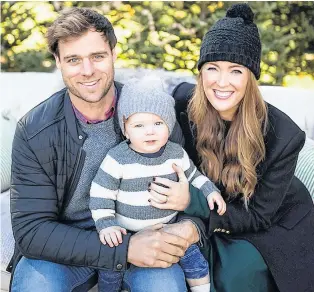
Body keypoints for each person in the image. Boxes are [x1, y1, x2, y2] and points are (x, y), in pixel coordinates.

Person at [8, 7, 203, 292]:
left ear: (113, 53)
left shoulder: (153, 115)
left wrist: (188, 217)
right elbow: (31, 231)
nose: (87, 71)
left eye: (97, 56)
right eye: (74, 59)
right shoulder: (35, 130)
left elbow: (193, 190)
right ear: (58, 61)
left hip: (144, 236)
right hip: (65, 249)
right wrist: (123, 249)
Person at [149, 3, 314, 292]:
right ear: (201, 73)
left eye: (236, 71)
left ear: (250, 77)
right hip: (210, 212)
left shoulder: (284, 135)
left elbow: (258, 215)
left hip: (269, 220)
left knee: (235, 273)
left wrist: (191, 202)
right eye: (212, 68)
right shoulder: (180, 107)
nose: (222, 82)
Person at [89, 77, 226, 292]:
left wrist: (210, 191)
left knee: (195, 261)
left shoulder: (176, 153)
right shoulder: (117, 158)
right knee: (109, 271)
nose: (149, 131)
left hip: (167, 229)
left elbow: (194, 176)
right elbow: (101, 193)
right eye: (139, 125)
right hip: (124, 235)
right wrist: (106, 224)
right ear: (125, 129)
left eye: (158, 123)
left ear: (169, 125)